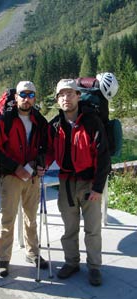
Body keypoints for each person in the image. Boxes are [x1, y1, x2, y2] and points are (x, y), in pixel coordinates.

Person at [46, 79, 111, 286]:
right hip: (66, 183)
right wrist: (38, 166)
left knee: (92, 229)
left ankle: (94, 267)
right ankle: (71, 262)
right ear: (57, 100)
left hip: (89, 182)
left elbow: (103, 157)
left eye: (70, 93)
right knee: (69, 228)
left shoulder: (92, 122)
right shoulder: (54, 125)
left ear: (78, 96)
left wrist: (98, 188)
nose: (66, 98)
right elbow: (47, 152)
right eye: (62, 95)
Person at [0, 81, 48, 277]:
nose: (26, 98)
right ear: (16, 97)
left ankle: (33, 252)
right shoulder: (5, 120)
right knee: (8, 220)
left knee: (31, 219)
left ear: (35, 98)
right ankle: (3, 259)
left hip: (32, 177)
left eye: (31, 95)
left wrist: (41, 164)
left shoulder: (39, 120)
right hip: (11, 177)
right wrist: (16, 168)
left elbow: (46, 147)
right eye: (23, 94)